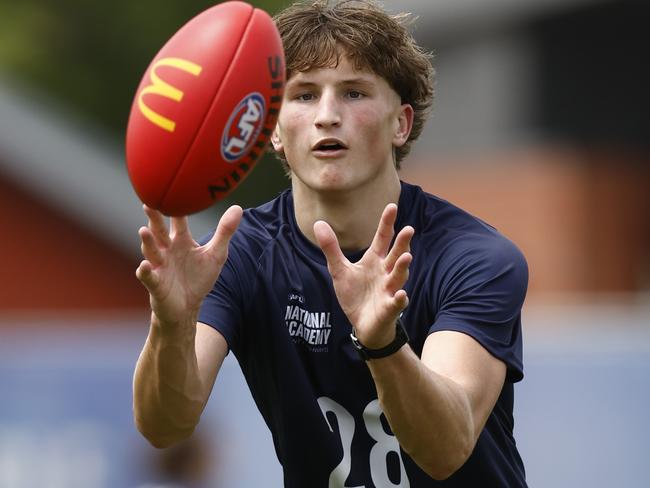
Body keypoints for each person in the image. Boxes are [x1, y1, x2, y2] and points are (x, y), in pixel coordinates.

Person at [133, 1, 529, 486]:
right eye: (302, 95)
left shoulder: (474, 257)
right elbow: (165, 425)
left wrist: (382, 344)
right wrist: (171, 323)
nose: (326, 116)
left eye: (354, 92)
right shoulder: (239, 255)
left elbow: (446, 449)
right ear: (272, 130)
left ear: (400, 124)